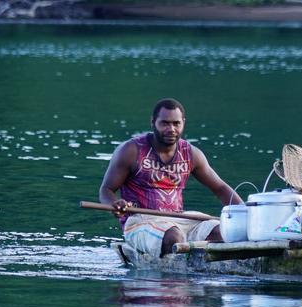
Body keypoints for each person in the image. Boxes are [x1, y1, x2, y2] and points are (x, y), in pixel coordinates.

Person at [99, 98, 243, 258]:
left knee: (224, 232)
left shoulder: (191, 153)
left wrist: (244, 213)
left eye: (176, 123)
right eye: (165, 123)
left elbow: (220, 189)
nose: (171, 129)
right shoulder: (131, 150)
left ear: (183, 123)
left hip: (179, 218)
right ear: (153, 122)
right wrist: (115, 204)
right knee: (174, 237)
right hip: (139, 222)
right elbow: (106, 190)